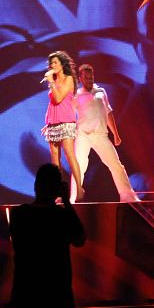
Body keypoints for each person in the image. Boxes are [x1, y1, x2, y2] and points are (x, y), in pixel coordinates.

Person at [9, 163, 85, 308]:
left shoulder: (19, 215)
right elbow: (80, 239)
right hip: (58, 303)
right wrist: (66, 202)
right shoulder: (61, 217)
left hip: (26, 303)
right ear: (57, 188)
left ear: (36, 186)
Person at [74, 64, 139, 202]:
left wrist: (115, 133)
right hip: (83, 135)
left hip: (101, 135)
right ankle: (73, 198)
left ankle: (128, 196)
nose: (89, 81)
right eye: (86, 78)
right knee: (79, 166)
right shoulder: (76, 95)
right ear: (80, 78)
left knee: (116, 164)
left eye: (91, 78)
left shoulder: (101, 91)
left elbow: (108, 113)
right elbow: (67, 114)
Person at [42, 51, 85, 202]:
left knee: (69, 155)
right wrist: (48, 122)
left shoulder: (68, 79)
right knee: (55, 160)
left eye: (55, 63)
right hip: (53, 122)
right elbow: (52, 102)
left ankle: (79, 188)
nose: (53, 66)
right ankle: (58, 193)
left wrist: (51, 82)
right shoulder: (53, 79)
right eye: (51, 63)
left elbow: (59, 98)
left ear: (62, 64)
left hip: (66, 121)